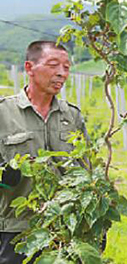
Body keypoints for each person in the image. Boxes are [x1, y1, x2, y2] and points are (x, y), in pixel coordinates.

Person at [0, 41, 86, 264]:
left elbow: (85, 170)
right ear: (30, 68)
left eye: (66, 67)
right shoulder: (3, 113)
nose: (61, 73)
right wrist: (4, 175)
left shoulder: (72, 116)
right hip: (16, 229)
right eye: (53, 65)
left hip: (65, 228)